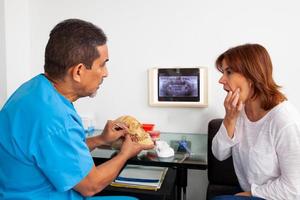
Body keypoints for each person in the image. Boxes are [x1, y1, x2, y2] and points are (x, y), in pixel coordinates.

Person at [0, 19, 154, 200]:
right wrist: (126, 153)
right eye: (102, 64)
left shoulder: (34, 90)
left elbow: (57, 152)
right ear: (79, 71)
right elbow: (91, 185)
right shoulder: (55, 118)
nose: (106, 73)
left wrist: (101, 139)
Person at [211, 44, 300, 200]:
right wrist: (230, 119)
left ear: (252, 76)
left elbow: (294, 188)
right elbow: (219, 153)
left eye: (229, 72)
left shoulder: (285, 120)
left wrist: (252, 193)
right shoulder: (239, 110)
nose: (221, 80)